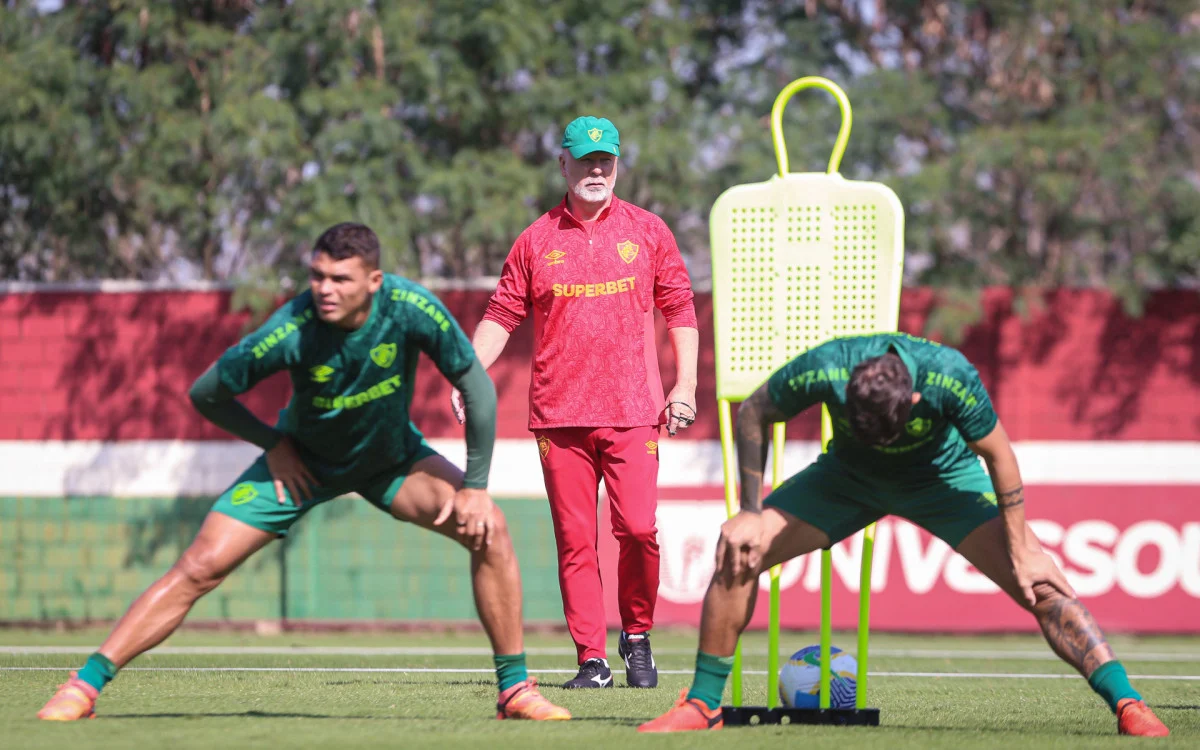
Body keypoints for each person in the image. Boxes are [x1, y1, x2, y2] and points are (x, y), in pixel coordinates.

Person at [37, 223, 570, 722]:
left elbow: (475, 386)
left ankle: (515, 690)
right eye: (317, 276)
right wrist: (274, 444)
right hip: (304, 466)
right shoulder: (291, 327)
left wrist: (475, 487)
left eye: (340, 278)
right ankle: (83, 687)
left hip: (390, 461)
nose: (325, 288)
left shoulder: (410, 308)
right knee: (200, 565)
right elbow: (208, 392)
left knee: (490, 527)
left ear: (374, 281)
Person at [639, 332, 1170, 736]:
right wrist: (751, 510)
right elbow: (754, 412)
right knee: (738, 549)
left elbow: (1000, 457)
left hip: (941, 480)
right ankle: (703, 703)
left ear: (914, 402)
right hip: (845, 479)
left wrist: (1022, 547)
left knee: (1043, 584)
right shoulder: (828, 366)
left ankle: (1127, 704)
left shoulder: (950, 376)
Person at [454, 116, 699, 689]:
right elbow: (502, 315)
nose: (596, 171)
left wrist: (683, 387)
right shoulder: (536, 239)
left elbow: (680, 309)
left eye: (605, 161)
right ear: (562, 164)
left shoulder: (647, 230)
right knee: (575, 541)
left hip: (634, 410)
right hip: (558, 416)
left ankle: (636, 635)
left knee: (639, 530)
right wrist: (466, 375)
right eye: (585, 161)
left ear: (616, 166)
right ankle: (591, 659)